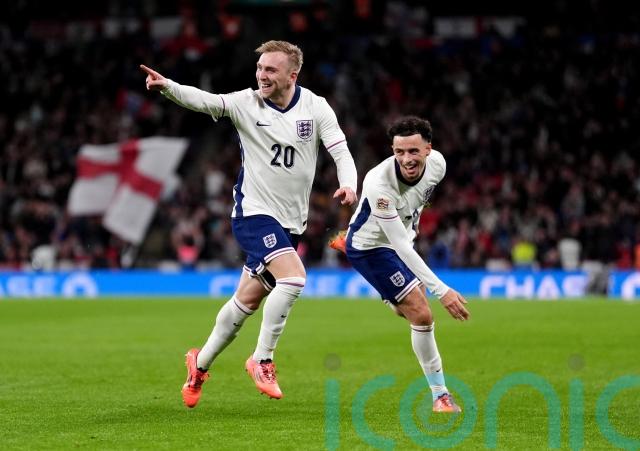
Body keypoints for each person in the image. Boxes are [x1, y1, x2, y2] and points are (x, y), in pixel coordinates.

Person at [141, 40, 358, 407]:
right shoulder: (247, 103)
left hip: (291, 221)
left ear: (292, 75)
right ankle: (262, 359)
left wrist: (349, 183)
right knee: (294, 279)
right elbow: (207, 101)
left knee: (247, 301)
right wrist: (168, 88)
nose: (262, 75)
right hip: (253, 213)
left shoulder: (316, 107)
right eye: (259, 68)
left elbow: (341, 151)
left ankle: (199, 364)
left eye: (270, 69)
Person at [329, 116, 469, 413]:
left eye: (414, 151)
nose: (406, 159)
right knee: (422, 313)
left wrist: (412, 228)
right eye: (399, 152)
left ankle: (392, 298)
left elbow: (417, 203)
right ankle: (441, 397)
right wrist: (442, 291)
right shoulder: (379, 184)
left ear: (428, 149)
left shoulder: (438, 165)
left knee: (409, 303)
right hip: (371, 248)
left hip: (399, 237)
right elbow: (401, 248)